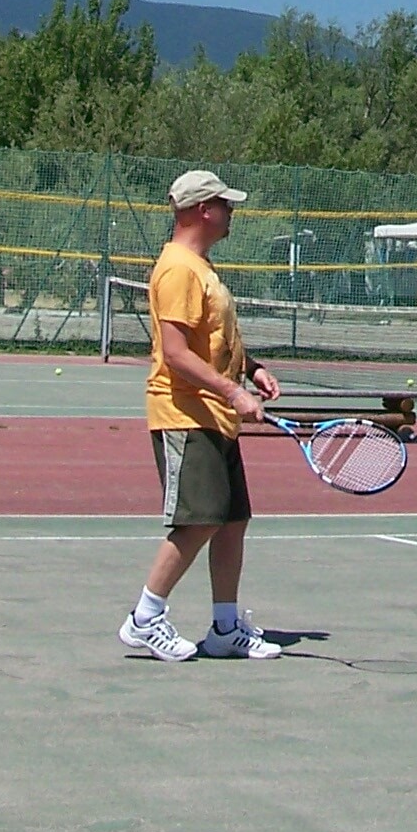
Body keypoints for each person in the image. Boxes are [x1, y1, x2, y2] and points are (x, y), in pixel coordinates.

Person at [120, 168, 283, 661]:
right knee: (198, 521)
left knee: (231, 520)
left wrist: (250, 369)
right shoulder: (177, 269)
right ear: (202, 210)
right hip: (185, 414)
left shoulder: (202, 267)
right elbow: (176, 353)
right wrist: (232, 392)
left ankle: (226, 628)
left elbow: (208, 340)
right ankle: (144, 618)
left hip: (215, 415)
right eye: (226, 204)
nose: (232, 212)